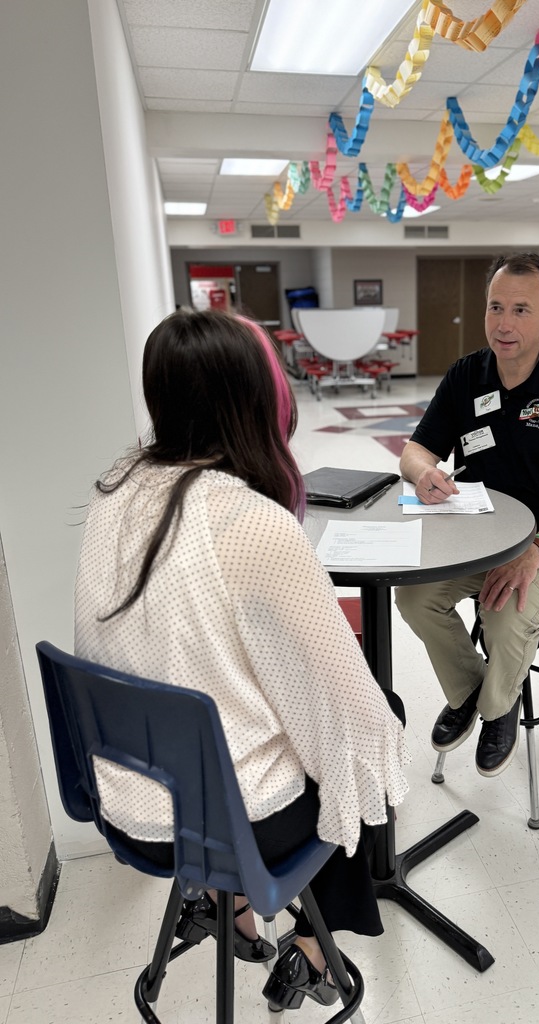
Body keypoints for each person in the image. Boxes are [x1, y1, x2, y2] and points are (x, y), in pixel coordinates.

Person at [74, 308, 409, 1012]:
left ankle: (227, 910)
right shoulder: (250, 522)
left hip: (128, 795)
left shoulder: (115, 490)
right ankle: (315, 953)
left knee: (278, 723)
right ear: (255, 399)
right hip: (227, 820)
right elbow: (350, 717)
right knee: (370, 729)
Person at [395, 253, 539, 778]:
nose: (504, 323)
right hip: (482, 534)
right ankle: (473, 689)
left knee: (505, 615)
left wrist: (535, 552)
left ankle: (498, 711)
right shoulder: (466, 376)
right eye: (495, 307)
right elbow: (415, 449)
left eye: (521, 309)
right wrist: (424, 473)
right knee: (412, 597)